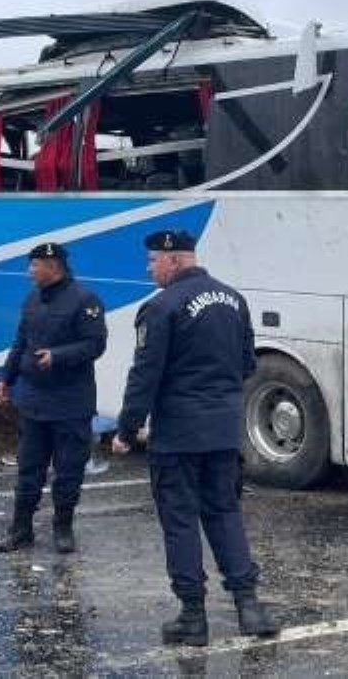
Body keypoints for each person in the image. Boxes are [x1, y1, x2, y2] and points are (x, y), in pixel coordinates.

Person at [111, 229, 279, 646]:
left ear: (174, 260)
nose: (149, 268)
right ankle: (249, 607)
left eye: (153, 261)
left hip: (179, 434)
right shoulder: (233, 299)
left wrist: (127, 429)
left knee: (180, 521)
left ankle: (192, 616)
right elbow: (246, 364)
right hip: (223, 431)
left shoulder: (162, 307)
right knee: (224, 513)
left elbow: (145, 374)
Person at [0, 242, 108, 554]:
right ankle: (20, 530)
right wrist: (6, 379)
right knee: (29, 469)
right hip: (34, 403)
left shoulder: (85, 300)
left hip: (70, 402)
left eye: (34, 265)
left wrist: (58, 356)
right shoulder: (32, 299)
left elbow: (95, 345)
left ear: (53, 266)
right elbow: (20, 343)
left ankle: (63, 528)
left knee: (69, 470)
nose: (30, 271)